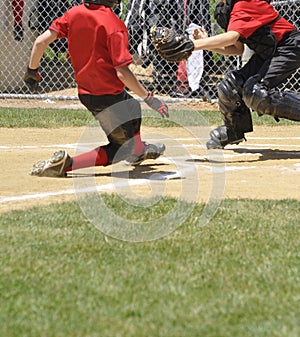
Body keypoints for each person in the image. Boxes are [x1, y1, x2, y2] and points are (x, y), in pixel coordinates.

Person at [24, 0, 169, 178]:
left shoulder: (74, 13)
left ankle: (138, 151)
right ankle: (67, 165)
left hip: (87, 92)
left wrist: (32, 71)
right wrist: (149, 98)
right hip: (108, 97)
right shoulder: (114, 25)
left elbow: (40, 42)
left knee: (132, 106)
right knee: (119, 149)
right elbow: (122, 73)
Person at [190, 0, 300, 149]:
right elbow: (237, 48)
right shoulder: (226, 10)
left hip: (288, 45)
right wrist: (205, 43)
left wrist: (192, 45)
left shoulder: (243, 3)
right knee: (231, 84)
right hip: (267, 51)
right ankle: (234, 130)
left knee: (255, 92)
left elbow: (231, 37)